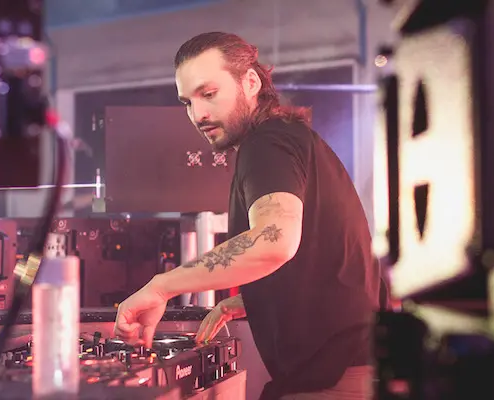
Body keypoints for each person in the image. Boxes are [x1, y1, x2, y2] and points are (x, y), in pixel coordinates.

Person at [113, 32, 383, 400]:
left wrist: (161, 287)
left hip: (332, 381)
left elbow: (275, 241)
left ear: (251, 82)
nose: (198, 115)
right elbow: (320, 252)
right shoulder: (290, 138)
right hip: (353, 368)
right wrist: (252, 299)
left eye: (209, 94)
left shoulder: (266, 144)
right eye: (188, 102)